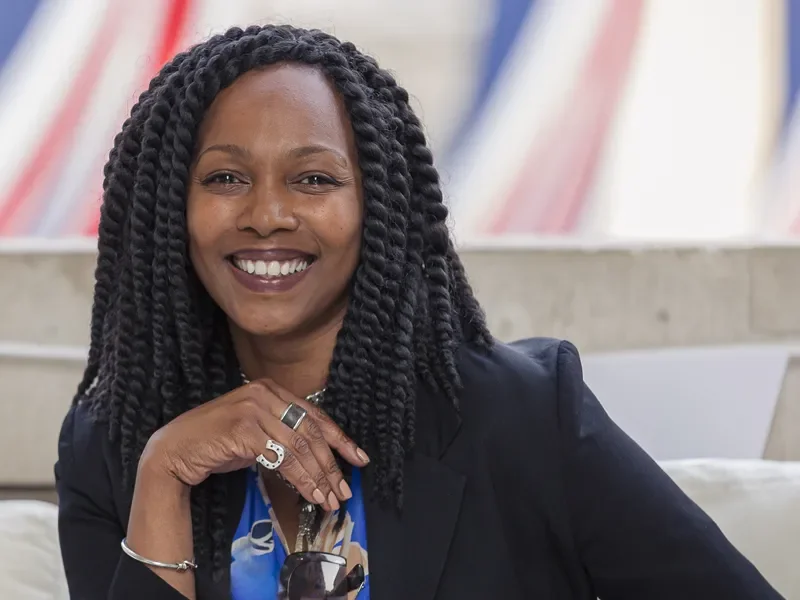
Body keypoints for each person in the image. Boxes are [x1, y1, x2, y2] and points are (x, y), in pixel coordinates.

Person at [54, 23, 782, 600]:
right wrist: (164, 478)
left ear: (380, 207)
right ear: (165, 212)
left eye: (313, 178)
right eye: (224, 178)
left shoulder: (521, 415)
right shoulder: (114, 445)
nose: (267, 214)